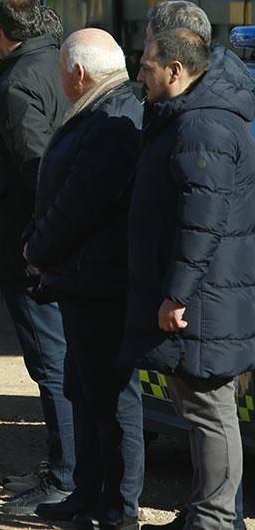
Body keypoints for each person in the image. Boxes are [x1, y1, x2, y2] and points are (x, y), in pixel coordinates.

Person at [123, 27, 255, 530]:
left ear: (176, 71)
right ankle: (207, 511)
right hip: (205, 295)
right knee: (201, 408)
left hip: (204, 299)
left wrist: (176, 294)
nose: (139, 72)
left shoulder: (203, 129)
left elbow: (202, 223)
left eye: (148, 64)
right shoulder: (190, 120)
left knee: (210, 409)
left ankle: (217, 517)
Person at [23, 29, 144, 529]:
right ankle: (89, 494)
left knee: (111, 399)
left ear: (77, 73)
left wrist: (35, 247)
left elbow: (78, 204)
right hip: (82, 279)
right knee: (85, 389)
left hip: (101, 282)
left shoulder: (112, 118)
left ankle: (118, 508)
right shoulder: (104, 108)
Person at [0, 0, 74, 515]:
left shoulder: (17, 84)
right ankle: (67, 470)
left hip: (33, 246)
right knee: (65, 361)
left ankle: (64, 479)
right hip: (58, 240)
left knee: (51, 364)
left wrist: (39, 241)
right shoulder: (63, 64)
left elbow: (37, 168)